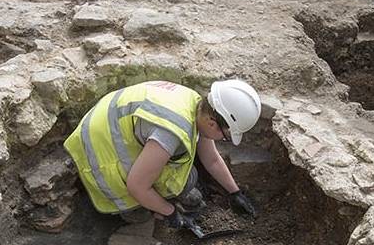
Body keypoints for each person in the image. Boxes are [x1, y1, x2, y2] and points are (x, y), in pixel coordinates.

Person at [63, 80, 260, 231]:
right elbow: (137, 185)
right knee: (140, 215)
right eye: (225, 136)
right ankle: (130, 207)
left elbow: (212, 159)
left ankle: (154, 200)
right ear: (212, 122)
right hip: (98, 156)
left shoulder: (195, 103)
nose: (223, 140)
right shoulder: (171, 131)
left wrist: (235, 193)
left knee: (188, 178)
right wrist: (171, 213)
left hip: (111, 129)